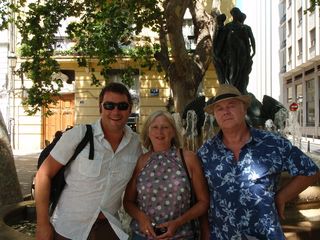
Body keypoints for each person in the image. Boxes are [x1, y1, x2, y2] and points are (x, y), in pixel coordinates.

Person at [197, 84, 320, 240]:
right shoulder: (206, 152)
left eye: (231, 105)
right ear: (215, 115)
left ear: (244, 109)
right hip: (223, 235)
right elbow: (200, 197)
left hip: (266, 235)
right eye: (219, 108)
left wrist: (281, 197)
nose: (225, 112)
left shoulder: (272, 143)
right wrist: (205, 231)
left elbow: (310, 171)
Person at [35, 82, 142, 240]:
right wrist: (42, 224)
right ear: (100, 108)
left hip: (108, 228)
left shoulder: (136, 145)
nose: (116, 111)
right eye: (109, 105)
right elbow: (43, 175)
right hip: (69, 229)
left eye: (122, 106)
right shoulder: (78, 136)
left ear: (130, 109)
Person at [123, 110, 209, 239]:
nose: (159, 132)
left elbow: (203, 202)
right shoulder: (142, 161)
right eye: (155, 127)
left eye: (165, 127)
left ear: (173, 132)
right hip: (143, 236)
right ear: (148, 132)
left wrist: (178, 222)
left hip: (180, 235)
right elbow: (128, 201)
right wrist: (142, 218)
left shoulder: (188, 158)